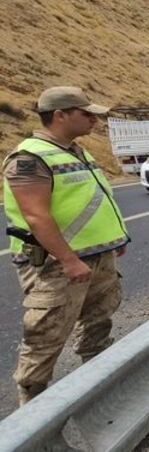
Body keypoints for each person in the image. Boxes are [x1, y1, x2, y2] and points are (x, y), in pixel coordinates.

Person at [2, 86, 129, 405]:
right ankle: (34, 414)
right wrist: (69, 260)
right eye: (86, 114)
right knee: (46, 336)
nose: (94, 121)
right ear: (59, 115)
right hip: (57, 266)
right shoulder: (29, 159)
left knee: (98, 326)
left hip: (97, 259)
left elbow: (93, 200)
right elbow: (36, 215)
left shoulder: (76, 151)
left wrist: (115, 239)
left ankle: (100, 392)